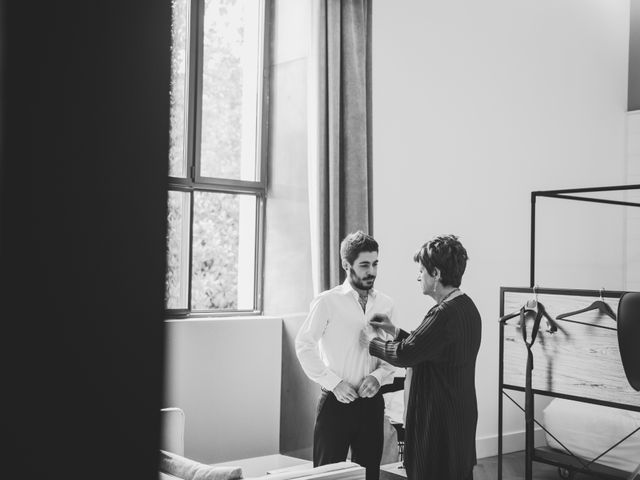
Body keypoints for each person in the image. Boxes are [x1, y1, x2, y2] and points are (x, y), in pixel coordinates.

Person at [362, 234, 481, 480]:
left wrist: (371, 344)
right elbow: (431, 347)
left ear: (436, 274)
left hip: (439, 416)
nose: (418, 277)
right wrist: (394, 331)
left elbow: (407, 353)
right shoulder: (466, 307)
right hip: (460, 410)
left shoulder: (443, 313)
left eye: (421, 271)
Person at [295, 231, 396, 480]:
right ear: (346, 264)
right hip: (335, 404)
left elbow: (389, 355)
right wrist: (335, 383)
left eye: (375, 264)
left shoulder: (386, 304)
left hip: (372, 405)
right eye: (364, 265)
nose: (371, 271)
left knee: (369, 474)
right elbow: (304, 345)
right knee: (327, 476)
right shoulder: (327, 302)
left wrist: (378, 377)